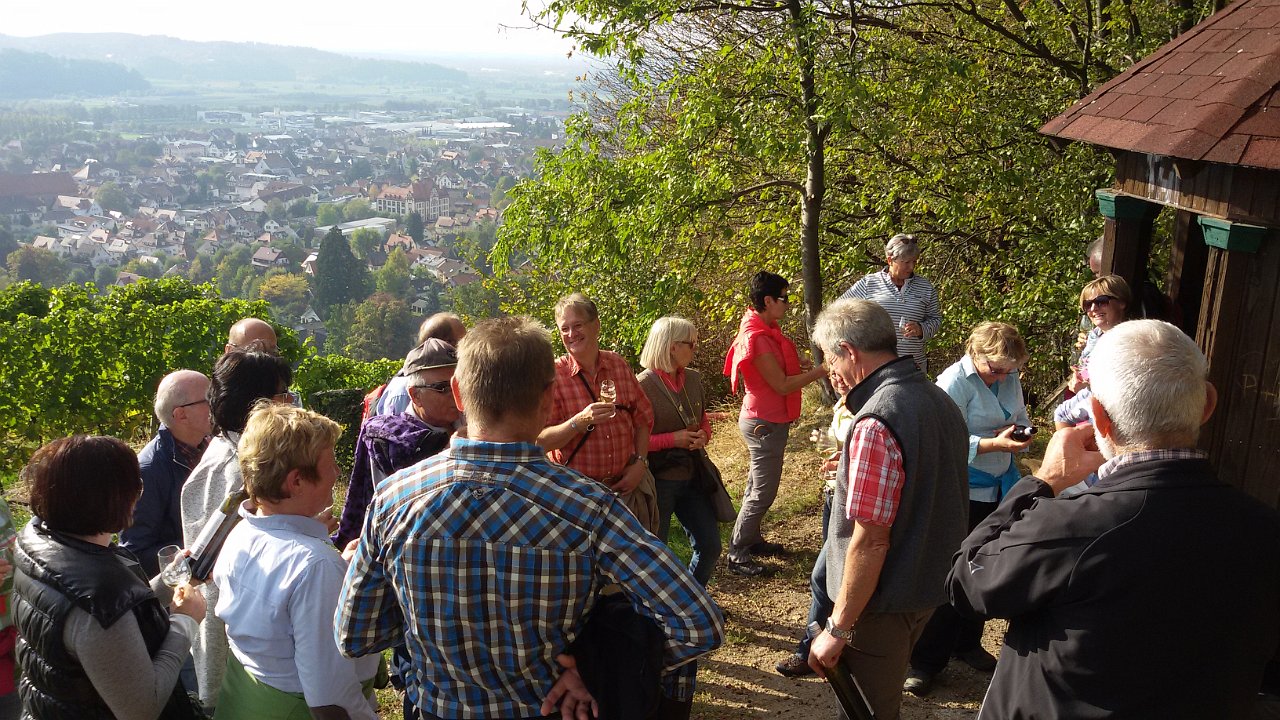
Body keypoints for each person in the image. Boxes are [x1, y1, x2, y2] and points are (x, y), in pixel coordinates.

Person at [336, 316, 723, 720]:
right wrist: (598, 668)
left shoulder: (394, 499)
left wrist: (433, 637)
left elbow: (354, 636)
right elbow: (698, 623)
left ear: (458, 393)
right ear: (548, 399)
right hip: (551, 707)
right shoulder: (588, 506)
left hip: (438, 708)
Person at [948, 320, 1280, 719]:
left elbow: (968, 582)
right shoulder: (1264, 530)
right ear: (1207, 404)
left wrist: (1044, 482)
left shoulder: (1071, 525)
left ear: (1099, 418)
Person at [806, 298, 968, 720]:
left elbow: (870, 539)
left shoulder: (878, 417)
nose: (829, 372)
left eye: (829, 359)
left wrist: (838, 627)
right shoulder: (937, 397)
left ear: (850, 352)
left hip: (879, 606)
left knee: (867, 713)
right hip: (927, 588)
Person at [13, 435, 206, 719]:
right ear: (112, 499)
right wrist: (186, 622)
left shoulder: (41, 544)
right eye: (136, 487)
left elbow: (121, 616)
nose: (139, 494)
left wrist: (169, 581)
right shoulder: (98, 600)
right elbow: (142, 708)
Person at [212, 403, 380, 720]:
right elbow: (330, 700)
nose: (337, 473)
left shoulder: (240, 533)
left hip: (241, 704)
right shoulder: (315, 566)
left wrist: (338, 568)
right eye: (330, 463)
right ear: (296, 481)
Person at [903, 322, 1033, 696]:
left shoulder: (1006, 373)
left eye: (1010, 370)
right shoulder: (953, 382)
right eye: (996, 368)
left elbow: (1019, 414)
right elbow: (946, 438)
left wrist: (1023, 433)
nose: (1004, 375)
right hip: (959, 485)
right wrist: (996, 444)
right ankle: (926, 661)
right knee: (952, 570)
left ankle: (966, 643)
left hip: (998, 484)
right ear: (974, 354)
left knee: (985, 565)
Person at [180, 349, 294, 709]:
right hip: (232, 623)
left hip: (217, 614)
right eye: (282, 396)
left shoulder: (222, 447)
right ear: (258, 403)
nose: (289, 403)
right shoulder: (241, 469)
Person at [722, 271, 827, 576]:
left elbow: (778, 370)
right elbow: (780, 385)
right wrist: (822, 370)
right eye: (783, 298)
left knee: (757, 484)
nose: (788, 303)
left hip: (766, 419)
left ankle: (751, 539)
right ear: (767, 301)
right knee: (763, 491)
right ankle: (738, 553)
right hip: (763, 422)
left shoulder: (765, 327)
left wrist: (802, 365)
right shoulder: (757, 338)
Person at [539, 293, 659, 532]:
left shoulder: (617, 364)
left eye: (578, 325)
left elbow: (643, 418)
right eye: (565, 329)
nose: (571, 334)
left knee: (636, 565)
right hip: (578, 499)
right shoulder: (553, 376)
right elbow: (539, 441)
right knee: (587, 569)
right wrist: (580, 420)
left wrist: (641, 464)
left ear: (596, 326)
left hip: (627, 490)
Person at [335, 339, 460, 548]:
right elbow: (390, 508)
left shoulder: (475, 427)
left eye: (459, 384)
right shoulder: (389, 440)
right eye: (442, 388)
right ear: (415, 395)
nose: (455, 394)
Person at [775, 370, 852, 678]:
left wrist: (843, 460)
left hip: (850, 503)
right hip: (833, 494)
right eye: (830, 369)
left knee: (823, 577)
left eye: (838, 368)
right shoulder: (845, 400)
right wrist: (837, 453)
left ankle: (809, 650)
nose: (835, 376)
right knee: (831, 575)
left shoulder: (873, 402)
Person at [637, 316, 720, 585]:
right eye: (691, 344)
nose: (695, 348)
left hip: (693, 474)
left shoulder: (693, 378)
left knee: (710, 546)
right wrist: (674, 439)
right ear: (672, 346)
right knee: (655, 555)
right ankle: (662, 614)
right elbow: (635, 440)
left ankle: (692, 601)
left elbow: (703, 418)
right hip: (658, 480)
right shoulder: (642, 385)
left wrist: (703, 437)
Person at [123, 370, 212, 576]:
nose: (217, 403)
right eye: (208, 399)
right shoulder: (149, 470)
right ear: (180, 414)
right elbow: (135, 552)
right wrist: (193, 553)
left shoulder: (210, 446)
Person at [839, 234, 942, 374]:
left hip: (913, 365)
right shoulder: (869, 283)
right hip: (876, 366)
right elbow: (839, 310)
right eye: (906, 262)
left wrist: (921, 329)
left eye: (914, 262)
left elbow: (935, 319)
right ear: (890, 260)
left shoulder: (925, 287)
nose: (911, 267)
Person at [1054, 274, 1132, 430]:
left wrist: (1086, 388)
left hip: (1115, 406)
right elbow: (1084, 368)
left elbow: (1125, 385)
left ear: (1121, 302)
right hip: (1090, 396)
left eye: (1101, 302)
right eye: (1087, 305)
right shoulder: (1095, 335)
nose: (1093, 309)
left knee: (1061, 415)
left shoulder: (1128, 338)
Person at [373, 313, 467, 418]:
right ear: (445, 344)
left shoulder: (457, 378)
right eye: (464, 342)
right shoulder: (403, 392)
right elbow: (396, 431)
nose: (468, 348)